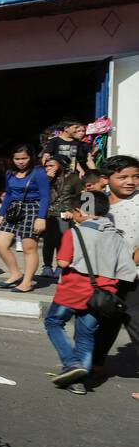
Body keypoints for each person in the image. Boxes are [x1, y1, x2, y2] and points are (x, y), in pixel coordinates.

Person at [45, 192, 136, 395]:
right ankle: (79, 381)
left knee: (53, 322)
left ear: (80, 211)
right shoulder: (116, 235)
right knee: (86, 335)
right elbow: (128, 271)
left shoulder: (74, 233)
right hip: (102, 296)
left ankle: (71, 363)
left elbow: (62, 262)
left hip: (73, 289)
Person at [90, 155, 139, 390]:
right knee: (106, 320)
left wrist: (128, 264)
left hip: (133, 276)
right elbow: (83, 231)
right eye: (123, 177)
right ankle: (95, 364)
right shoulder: (93, 201)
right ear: (105, 179)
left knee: (136, 322)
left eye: (136, 177)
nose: (131, 181)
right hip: (104, 275)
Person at [0, 145, 51, 292]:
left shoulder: (38, 172)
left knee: (29, 248)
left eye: (24, 158)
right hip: (13, 210)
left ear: (31, 157)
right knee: (0, 244)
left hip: (32, 208)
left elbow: (45, 196)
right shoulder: (10, 173)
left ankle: (27, 282)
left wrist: (41, 217)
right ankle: (15, 273)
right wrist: (1, 213)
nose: (21, 162)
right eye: (17, 159)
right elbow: (9, 194)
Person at [42, 155, 82, 278]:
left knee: (61, 241)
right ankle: (47, 266)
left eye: (52, 165)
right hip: (47, 214)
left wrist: (72, 210)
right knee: (48, 242)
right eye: (47, 166)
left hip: (64, 215)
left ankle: (61, 267)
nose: (48, 168)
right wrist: (48, 179)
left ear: (61, 165)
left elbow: (80, 196)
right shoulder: (45, 178)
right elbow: (39, 193)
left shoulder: (73, 178)